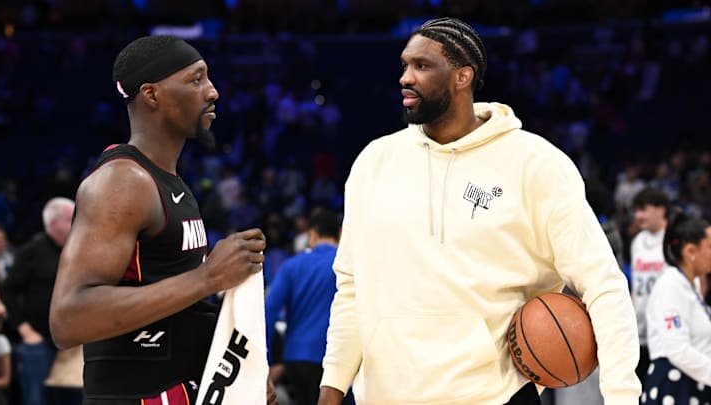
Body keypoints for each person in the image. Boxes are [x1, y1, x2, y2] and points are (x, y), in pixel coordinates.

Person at [318, 17, 640, 405]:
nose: (406, 77)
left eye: (422, 66)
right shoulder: (373, 163)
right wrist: (332, 388)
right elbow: (351, 288)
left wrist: (622, 395)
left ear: (462, 77)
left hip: (496, 396)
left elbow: (603, 284)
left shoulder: (535, 164)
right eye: (404, 65)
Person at [48, 35, 277, 405]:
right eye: (196, 79)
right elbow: (68, 318)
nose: (213, 92)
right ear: (152, 95)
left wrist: (233, 370)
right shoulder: (122, 181)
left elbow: (178, 312)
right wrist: (208, 278)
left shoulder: (169, 181)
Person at [264, 208, 345, 405]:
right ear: (340, 233)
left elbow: (269, 312)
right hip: (335, 358)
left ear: (312, 235)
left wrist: (265, 361)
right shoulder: (346, 265)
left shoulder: (291, 266)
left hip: (295, 357)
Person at [0, 197, 75, 405]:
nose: (76, 224)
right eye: (71, 219)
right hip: (39, 340)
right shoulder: (32, 251)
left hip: (72, 342)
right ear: (54, 223)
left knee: (75, 399)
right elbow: (7, 290)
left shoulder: (78, 250)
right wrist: (24, 329)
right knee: (36, 399)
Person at [643, 210, 711, 403]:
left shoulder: (691, 285)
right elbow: (676, 348)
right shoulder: (670, 285)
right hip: (674, 386)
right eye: (710, 246)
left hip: (693, 383)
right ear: (690, 251)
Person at [629, 186, 670, 388]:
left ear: (661, 209)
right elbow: (635, 285)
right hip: (640, 326)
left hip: (665, 328)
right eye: (636, 210)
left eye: (643, 209)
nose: (638, 215)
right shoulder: (637, 241)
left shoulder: (674, 238)